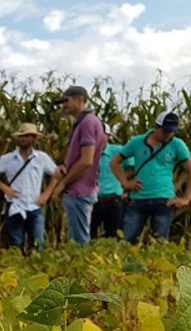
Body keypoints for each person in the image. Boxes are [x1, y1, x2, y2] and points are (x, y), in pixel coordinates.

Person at [109, 112, 191, 243]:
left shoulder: (177, 144)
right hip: (138, 198)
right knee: (126, 240)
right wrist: (125, 182)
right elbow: (114, 162)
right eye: (165, 131)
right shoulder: (137, 142)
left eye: (172, 132)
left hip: (164, 199)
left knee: (160, 242)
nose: (169, 135)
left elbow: (189, 169)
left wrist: (186, 198)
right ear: (157, 127)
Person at [0, 124, 62, 254]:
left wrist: (46, 194)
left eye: (27, 136)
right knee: (16, 246)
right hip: (15, 206)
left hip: (34, 207)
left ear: (34, 138)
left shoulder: (41, 158)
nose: (23, 139)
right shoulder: (8, 159)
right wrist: (5, 188)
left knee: (38, 245)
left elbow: (57, 174)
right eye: (21, 136)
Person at [48, 85, 106, 246]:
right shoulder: (86, 122)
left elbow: (87, 161)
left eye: (66, 101)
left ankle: (83, 271)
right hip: (81, 190)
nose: (63, 105)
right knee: (76, 240)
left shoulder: (87, 122)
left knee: (79, 242)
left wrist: (62, 184)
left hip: (79, 191)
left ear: (80, 99)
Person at [91, 123, 133, 239]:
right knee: (89, 236)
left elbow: (134, 167)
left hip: (114, 201)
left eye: (102, 134)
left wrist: (122, 179)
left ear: (108, 136)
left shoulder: (118, 150)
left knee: (115, 237)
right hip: (93, 200)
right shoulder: (88, 153)